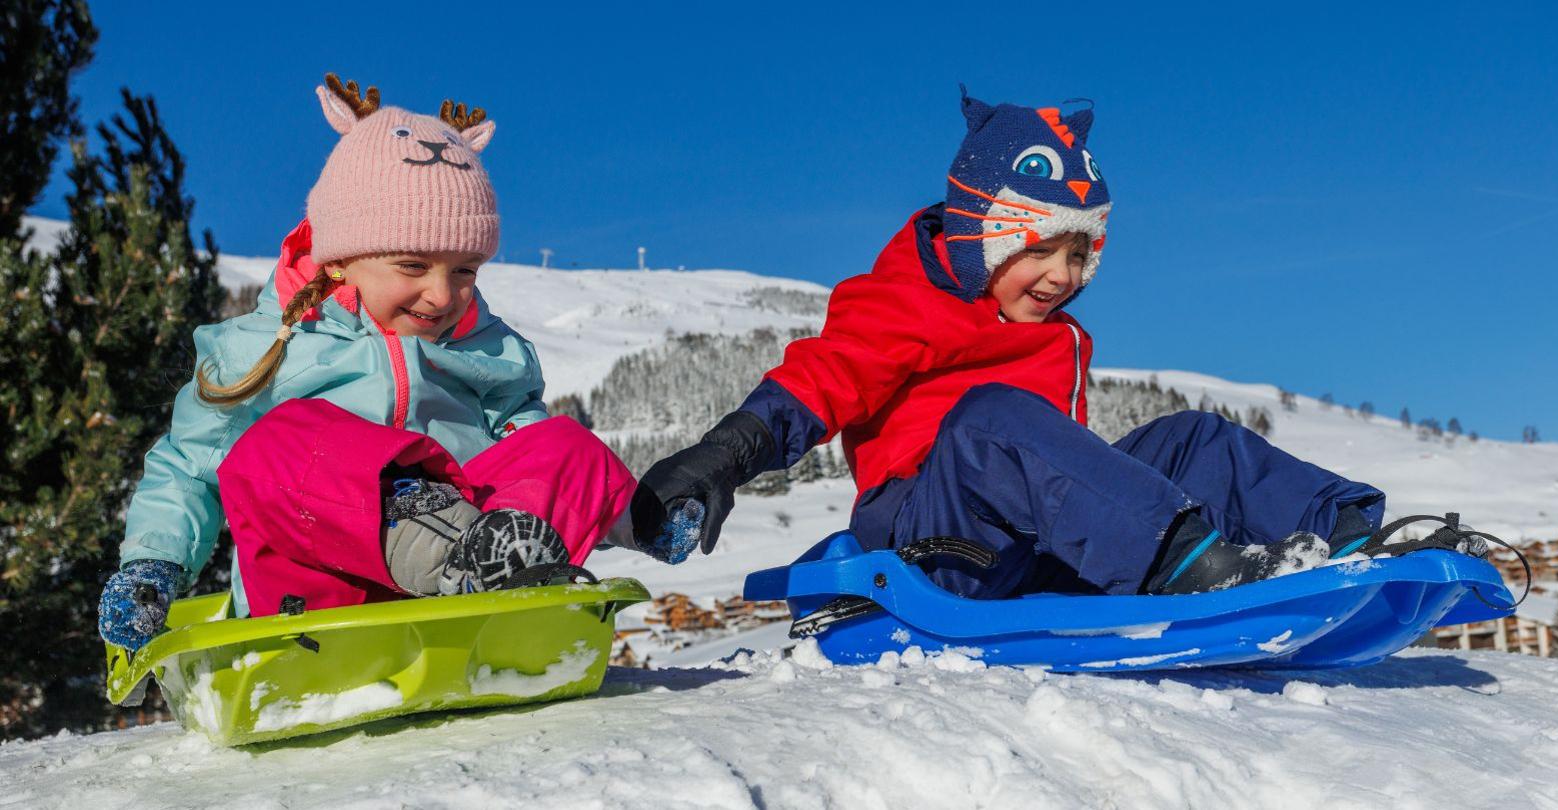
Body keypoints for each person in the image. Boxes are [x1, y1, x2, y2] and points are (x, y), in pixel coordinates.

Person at [623, 90, 1388, 599]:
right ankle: (1184, 563)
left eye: (1080, 254)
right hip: (929, 540)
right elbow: (826, 376)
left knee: (1192, 439)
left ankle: (1354, 539)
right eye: (1039, 248)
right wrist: (725, 454)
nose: (1063, 275)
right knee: (994, 417)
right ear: (982, 237)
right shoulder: (908, 300)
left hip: (1037, 547)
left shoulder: (1053, 336)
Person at [98, 75, 636, 651]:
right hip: (319, 608)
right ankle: (427, 529)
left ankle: (499, 572)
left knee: (565, 445)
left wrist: (642, 516)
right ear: (341, 258)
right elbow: (188, 465)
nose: (442, 295)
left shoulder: (487, 352)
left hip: (469, 598)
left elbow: (536, 468)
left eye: (464, 271)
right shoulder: (269, 345)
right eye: (413, 266)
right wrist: (152, 565)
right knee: (281, 441)